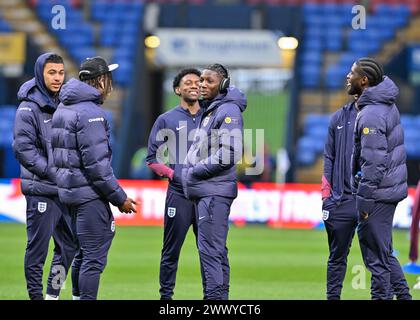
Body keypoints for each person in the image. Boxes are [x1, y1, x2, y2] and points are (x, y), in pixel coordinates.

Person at [51, 56, 137, 300]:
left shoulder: (63, 107)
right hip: (88, 195)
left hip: (68, 194)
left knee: (81, 254)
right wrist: (119, 198)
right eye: (108, 78)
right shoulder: (91, 113)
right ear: (100, 80)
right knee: (93, 258)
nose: (111, 84)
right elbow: (97, 166)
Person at [12, 52, 78, 300]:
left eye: (61, 73)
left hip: (64, 190)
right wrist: (56, 174)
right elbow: (23, 150)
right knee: (37, 249)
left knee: (69, 245)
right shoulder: (27, 108)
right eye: (52, 72)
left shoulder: (65, 104)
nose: (57, 78)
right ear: (40, 74)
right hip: (41, 189)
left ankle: (52, 294)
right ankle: (35, 296)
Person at [181, 64, 247, 300]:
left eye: (209, 81)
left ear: (223, 84)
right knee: (215, 251)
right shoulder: (213, 110)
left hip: (214, 192)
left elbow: (230, 153)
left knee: (211, 251)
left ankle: (215, 300)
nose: (202, 84)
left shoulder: (228, 111)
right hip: (208, 191)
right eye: (201, 80)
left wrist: (194, 171)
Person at [350, 57, 411, 300]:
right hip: (387, 190)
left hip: (378, 193)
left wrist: (364, 200)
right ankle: (404, 297)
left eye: (352, 73)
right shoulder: (382, 105)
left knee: (375, 258)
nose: (347, 77)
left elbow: (374, 162)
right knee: (383, 252)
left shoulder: (372, 114)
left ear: (363, 81)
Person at [146, 68, 203, 300]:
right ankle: (166, 299)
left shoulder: (213, 116)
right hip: (179, 194)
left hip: (206, 195)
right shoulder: (166, 119)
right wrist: (174, 174)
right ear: (178, 89)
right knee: (170, 251)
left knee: (210, 253)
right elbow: (152, 159)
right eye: (188, 82)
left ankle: (214, 298)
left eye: (198, 82)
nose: (194, 85)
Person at [322, 94, 358, 300]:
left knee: (381, 257)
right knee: (336, 256)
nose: (347, 78)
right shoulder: (338, 117)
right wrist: (326, 196)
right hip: (339, 200)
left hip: (368, 200)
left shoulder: (382, 115)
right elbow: (329, 156)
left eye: (352, 75)